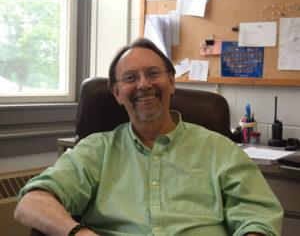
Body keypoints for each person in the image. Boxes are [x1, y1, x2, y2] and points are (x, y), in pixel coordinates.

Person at [15, 38, 283, 236]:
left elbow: (258, 219)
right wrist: (79, 234)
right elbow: (31, 203)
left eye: (153, 74)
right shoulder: (96, 150)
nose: (144, 84)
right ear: (117, 93)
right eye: (130, 78)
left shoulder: (219, 149)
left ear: (172, 82)